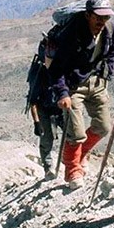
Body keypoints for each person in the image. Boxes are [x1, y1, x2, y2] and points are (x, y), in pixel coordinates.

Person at [47, 0, 114, 189]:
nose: (102, 22)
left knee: (103, 127)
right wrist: (62, 93)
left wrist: (108, 73)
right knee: (76, 132)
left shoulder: (110, 30)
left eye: (106, 18)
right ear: (88, 15)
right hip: (73, 87)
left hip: (97, 83)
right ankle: (72, 170)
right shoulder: (72, 34)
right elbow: (56, 68)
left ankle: (81, 155)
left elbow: (112, 52)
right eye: (98, 17)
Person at [26, 45, 64, 179]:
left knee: (73, 133)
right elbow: (33, 100)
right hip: (44, 109)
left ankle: (72, 163)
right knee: (46, 139)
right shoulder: (38, 74)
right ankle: (48, 169)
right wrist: (37, 122)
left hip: (61, 107)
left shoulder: (61, 67)